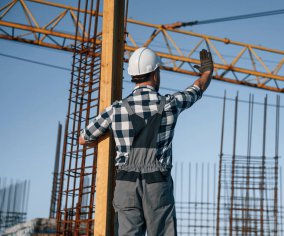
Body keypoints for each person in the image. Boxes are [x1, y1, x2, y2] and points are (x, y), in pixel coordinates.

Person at [79, 47, 213, 236]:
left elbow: (84, 138)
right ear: (155, 75)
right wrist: (207, 72)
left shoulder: (116, 109)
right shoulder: (169, 104)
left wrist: (108, 134)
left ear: (133, 75)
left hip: (126, 182)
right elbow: (197, 89)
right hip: (156, 183)